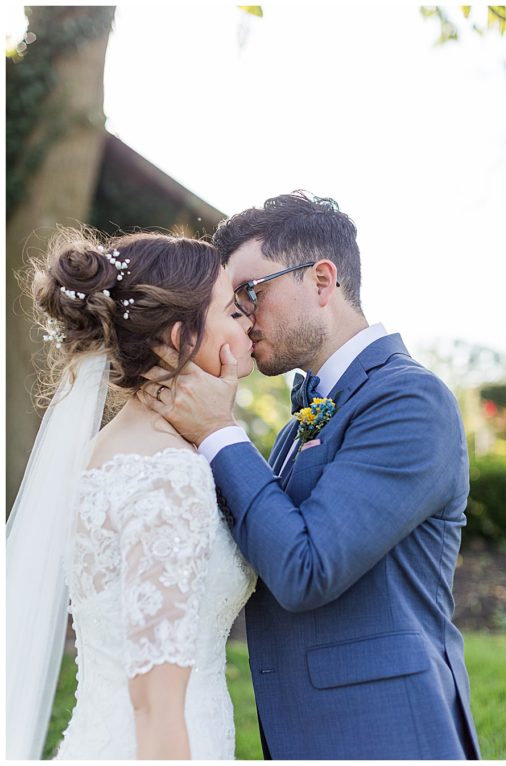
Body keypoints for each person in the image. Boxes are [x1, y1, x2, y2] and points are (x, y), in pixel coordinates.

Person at [140, 192, 480, 760]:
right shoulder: (304, 416)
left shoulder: (410, 400)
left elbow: (307, 568)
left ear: (322, 281)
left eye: (251, 292)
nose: (243, 317)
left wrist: (219, 433)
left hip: (388, 734)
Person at [8, 229, 258, 759]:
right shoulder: (169, 474)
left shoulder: (111, 449)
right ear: (177, 337)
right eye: (232, 312)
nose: (250, 321)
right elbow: (156, 704)